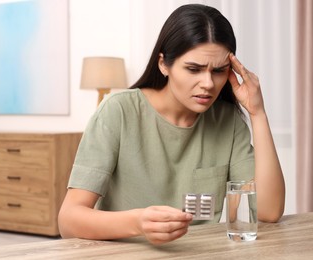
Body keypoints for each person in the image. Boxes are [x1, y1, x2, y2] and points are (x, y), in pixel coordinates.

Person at [58, 4, 285, 245]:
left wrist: (257, 112)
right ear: (163, 64)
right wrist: (137, 223)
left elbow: (268, 212)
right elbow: (68, 220)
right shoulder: (118, 111)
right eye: (193, 69)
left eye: (218, 71)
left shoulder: (227, 120)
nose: (208, 83)